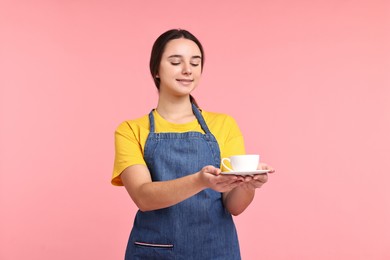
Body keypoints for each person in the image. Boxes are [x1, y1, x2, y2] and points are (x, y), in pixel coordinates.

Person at [112, 28, 275, 260]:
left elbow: (234, 206)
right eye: (176, 62)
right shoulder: (131, 130)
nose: (188, 70)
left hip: (216, 252)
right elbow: (143, 197)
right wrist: (199, 180)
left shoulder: (224, 125)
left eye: (195, 63)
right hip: (154, 252)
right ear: (156, 69)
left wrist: (248, 185)